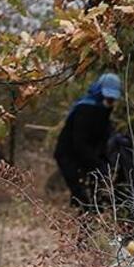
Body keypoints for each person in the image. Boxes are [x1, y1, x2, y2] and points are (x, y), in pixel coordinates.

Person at [54, 72, 123, 212]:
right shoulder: (84, 109)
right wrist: (99, 165)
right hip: (69, 155)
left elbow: (101, 138)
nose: (110, 101)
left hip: (87, 156)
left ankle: (88, 223)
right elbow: (80, 143)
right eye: (107, 97)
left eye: (112, 98)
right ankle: (82, 224)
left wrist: (105, 163)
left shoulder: (104, 110)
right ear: (99, 91)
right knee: (83, 198)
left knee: (94, 197)